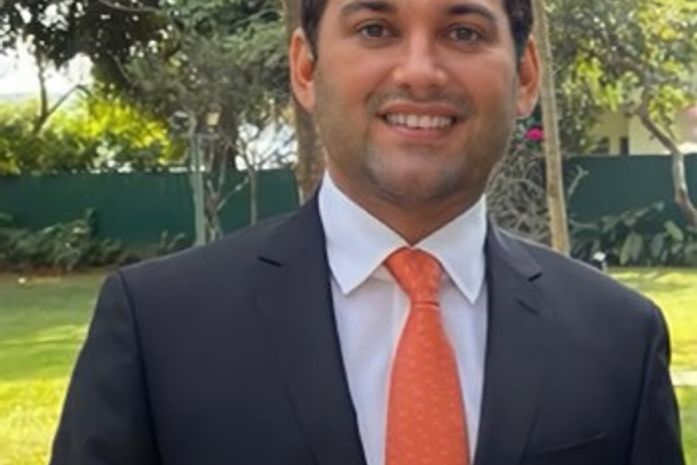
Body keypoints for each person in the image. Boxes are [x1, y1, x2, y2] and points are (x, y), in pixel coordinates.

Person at [50, 0, 685, 464]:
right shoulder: (158, 328)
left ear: (524, 77)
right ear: (306, 68)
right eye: (375, 29)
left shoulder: (619, 339)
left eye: (463, 32)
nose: (420, 71)